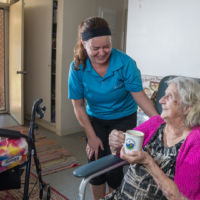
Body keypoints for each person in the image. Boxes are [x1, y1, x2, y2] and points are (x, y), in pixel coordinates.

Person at [68, 16, 158, 200]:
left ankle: (116, 197)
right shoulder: (77, 67)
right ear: (84, 45)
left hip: (123, 117)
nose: (102, 52)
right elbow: (78, 105)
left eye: (106, 46)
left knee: (116, 167)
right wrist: (91, 136)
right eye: (95, 48)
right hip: (95, 121)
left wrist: (160, 122)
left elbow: (140, 96)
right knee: (96, 165)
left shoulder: (125, 63)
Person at [107, 76, 200, 200]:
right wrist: (115, 141)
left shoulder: (195, 141)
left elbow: (180, 197)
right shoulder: (155, 123)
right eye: (164, 95)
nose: (161, 100)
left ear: (187, 107)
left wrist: (148, 162)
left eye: (169, 96)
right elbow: (121, 149)